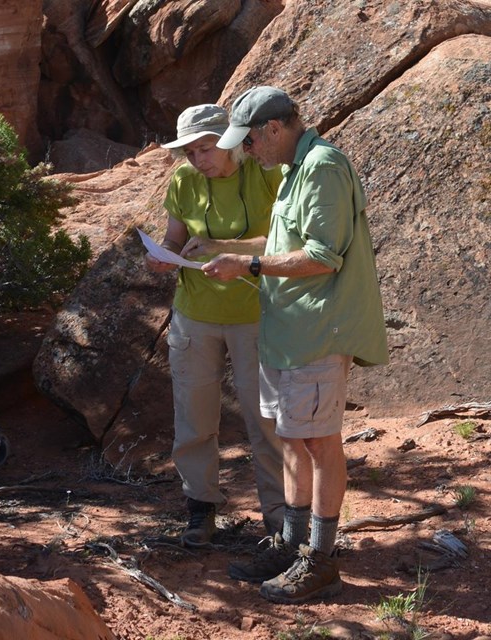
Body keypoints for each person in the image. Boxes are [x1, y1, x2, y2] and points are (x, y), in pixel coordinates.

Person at [182, 86, 388, 602]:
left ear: (274, 129)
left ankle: (320, 560)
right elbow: (283, 245)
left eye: (248, 142)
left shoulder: (321, 167)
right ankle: (292, 546)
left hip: (317, 332)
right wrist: (227, 248)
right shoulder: (294, 170)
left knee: (319, 442)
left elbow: (322, 255)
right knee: (294, 440)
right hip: (288, 331)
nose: (246, 152)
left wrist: (246, 266)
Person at [145, 103, 286, 547]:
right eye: (189, 151)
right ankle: (199, 509)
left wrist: (228, 246)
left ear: (230, 142)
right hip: (195, 314)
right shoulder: (184, 180)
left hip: (255, 316)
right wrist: (163, 257)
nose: (197, 159)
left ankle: (280, 517)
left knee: (264, 419)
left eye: (205, 148)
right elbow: (174, 238)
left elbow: (288, 241)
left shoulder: (266, 175)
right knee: (193, 416)